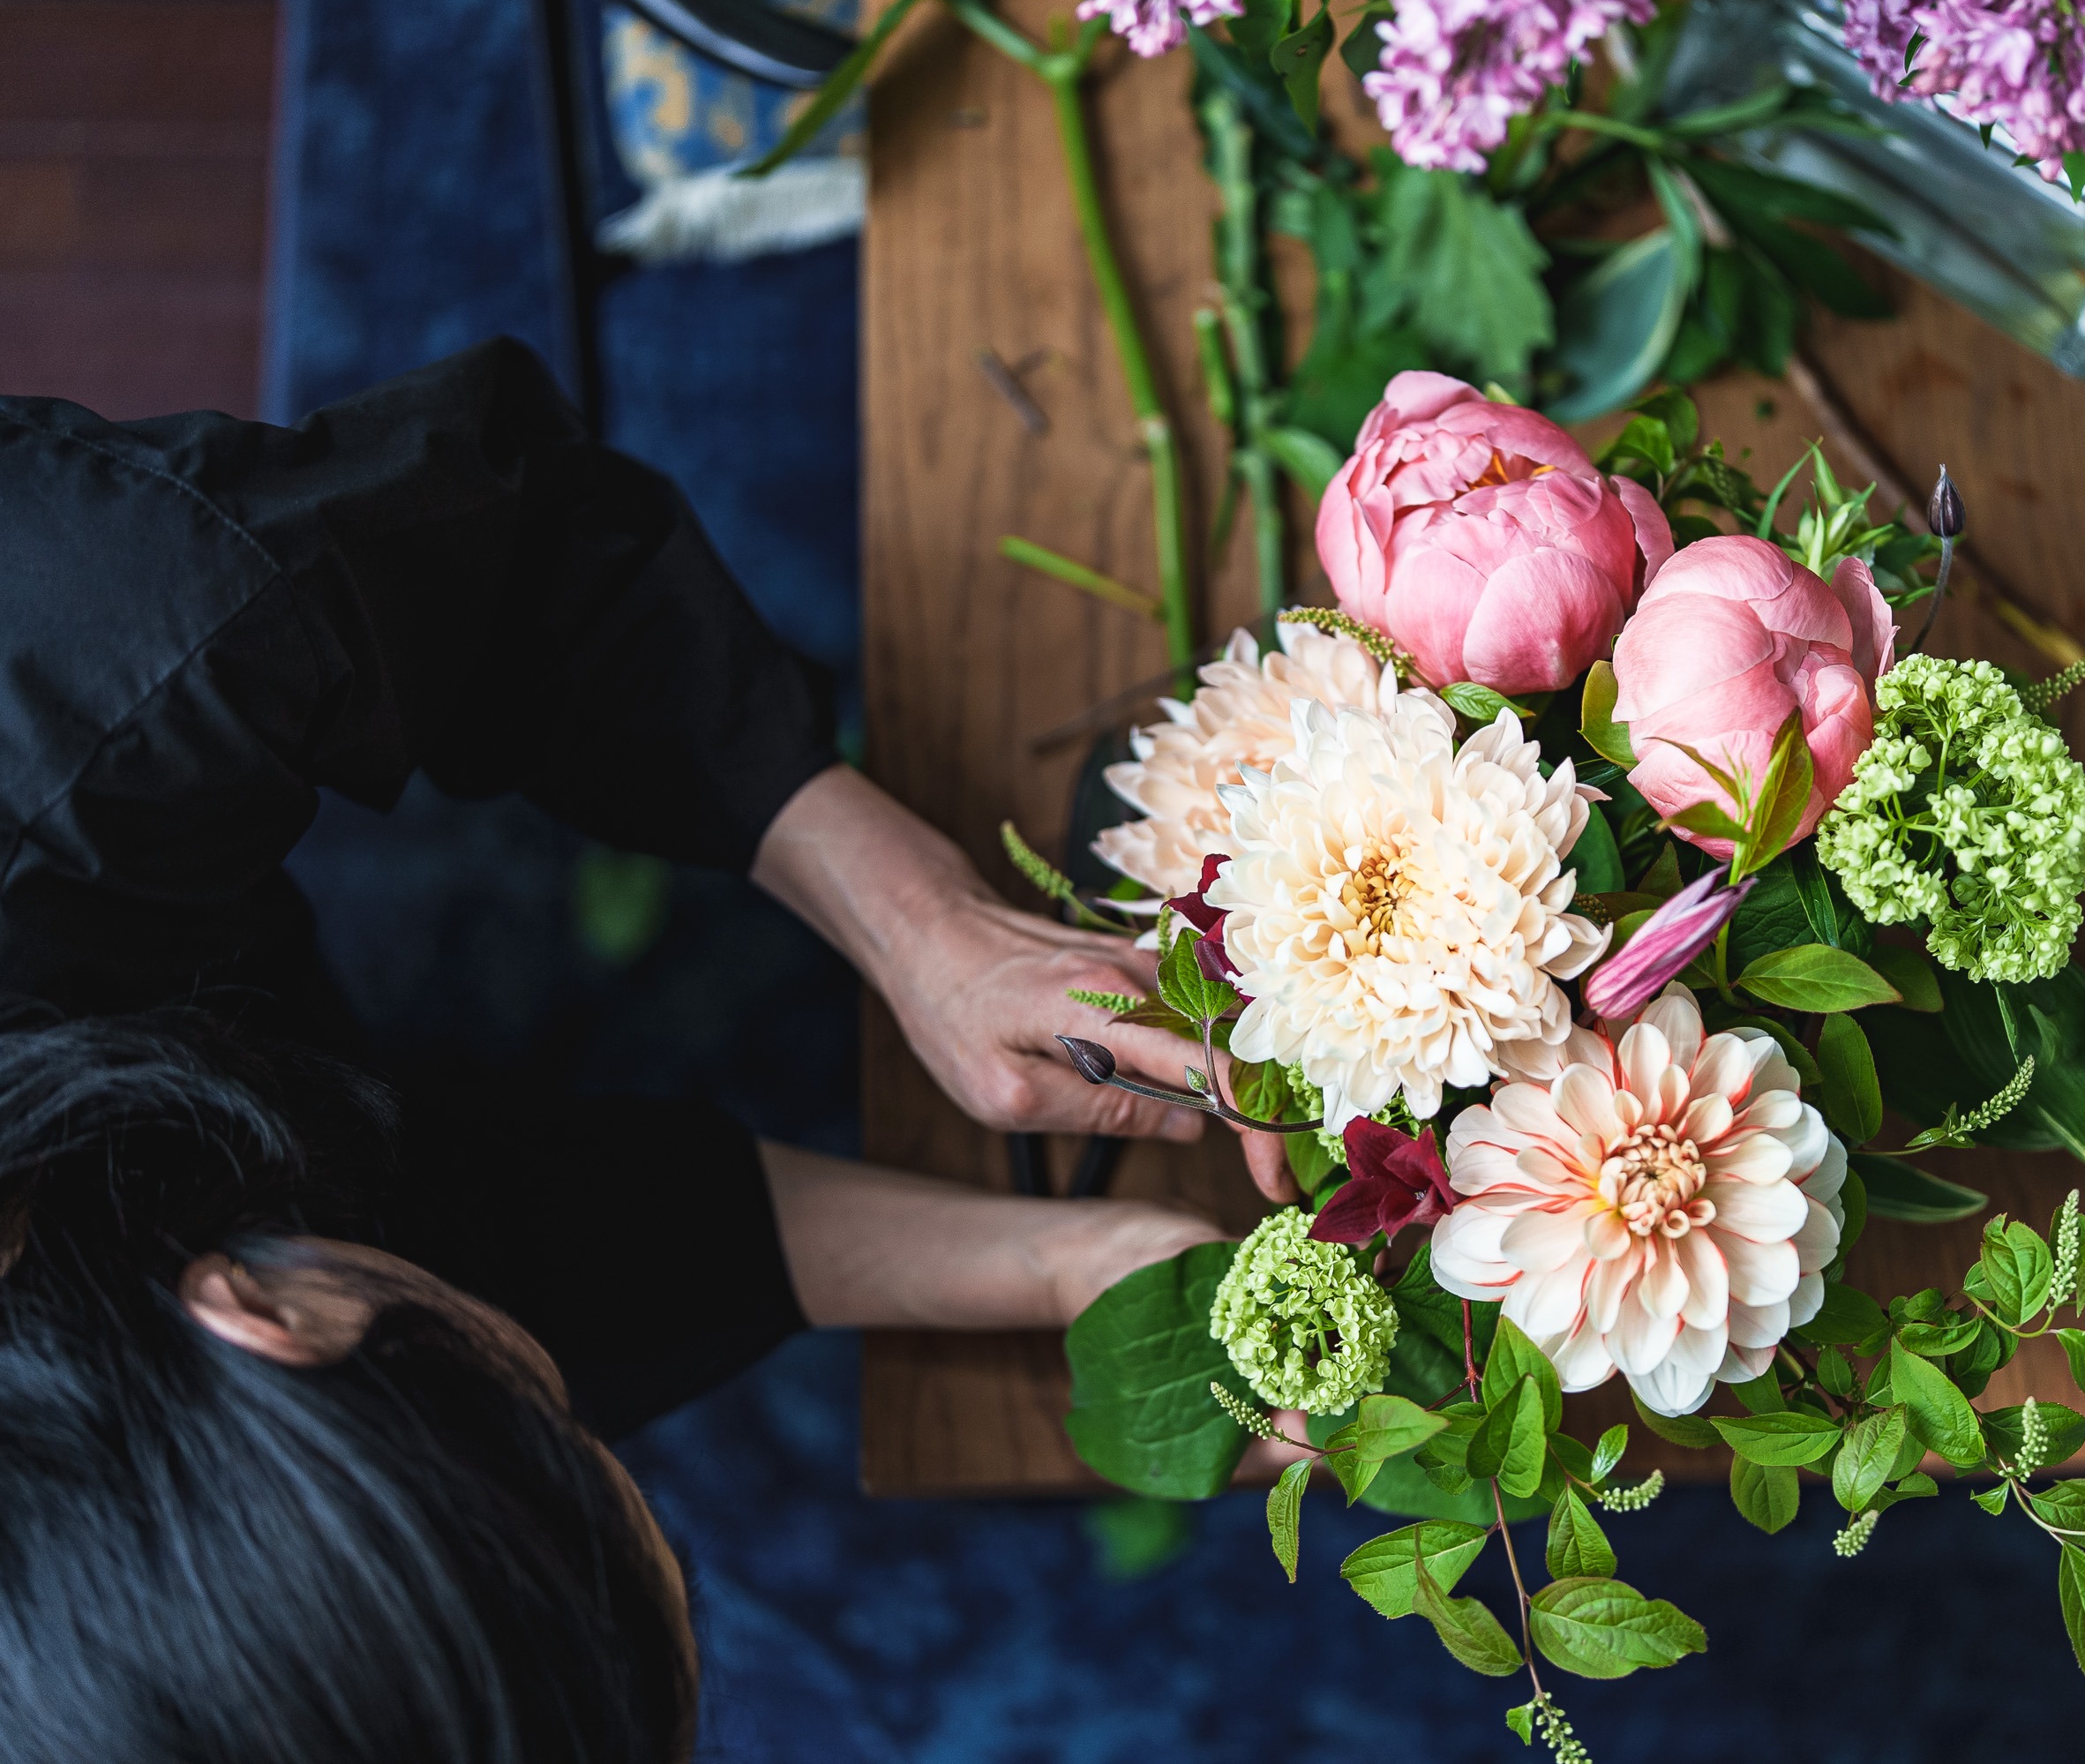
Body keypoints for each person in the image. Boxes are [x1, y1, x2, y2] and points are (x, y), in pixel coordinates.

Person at [0, 339, 1268, 1761]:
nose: (578, 1393)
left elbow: (518, 558)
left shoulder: (125, 656)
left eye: (556, 1417)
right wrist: (1072, 1270)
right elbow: (451, 1263)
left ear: (267, 1316)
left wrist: (921, 921)